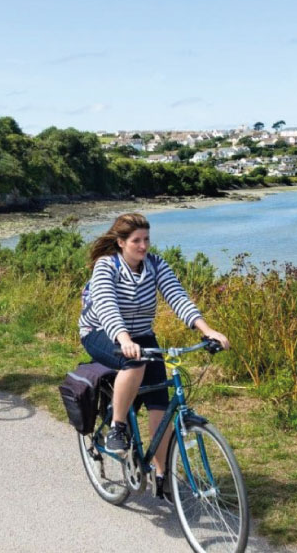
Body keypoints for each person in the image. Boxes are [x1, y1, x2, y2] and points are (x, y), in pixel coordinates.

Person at [78, 212, 229, 496]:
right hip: (101, 331)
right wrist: (123, 338)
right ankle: (117, 428)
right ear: (121, 242)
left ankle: (163, 476)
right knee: (134, 364)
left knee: (160, 403)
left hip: (141, 334)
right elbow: (107, 307)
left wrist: (206, 330)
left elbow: (177, 296)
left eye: (147, 239)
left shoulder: (156, 265)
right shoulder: (106, 266)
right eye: (137, 240)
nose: (144, 246)